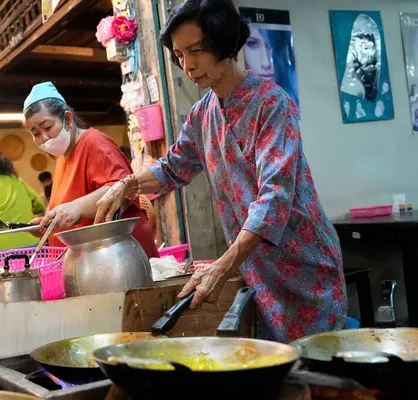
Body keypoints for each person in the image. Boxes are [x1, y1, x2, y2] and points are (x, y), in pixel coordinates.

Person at [95, 0, 346, 343]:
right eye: (180, 55)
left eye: (196, 50)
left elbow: (274, 197)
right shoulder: (202, 115)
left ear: (224, 42)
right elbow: (172, 168)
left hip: (304, 262)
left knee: (319, 373)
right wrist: (125, 185)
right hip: (258, 270)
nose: (188, 65)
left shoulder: (271, 104)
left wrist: (223, 265)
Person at [23, 82, 158, 258]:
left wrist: (75, 207)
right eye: (36, 133)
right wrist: (52, 224)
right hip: (91, 258)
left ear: (68, 119)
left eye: (48, 127)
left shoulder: (94, 143)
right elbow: (75, 209)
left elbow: (122, 191)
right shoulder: (62, 157)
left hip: (121, 256)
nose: (44, 138)